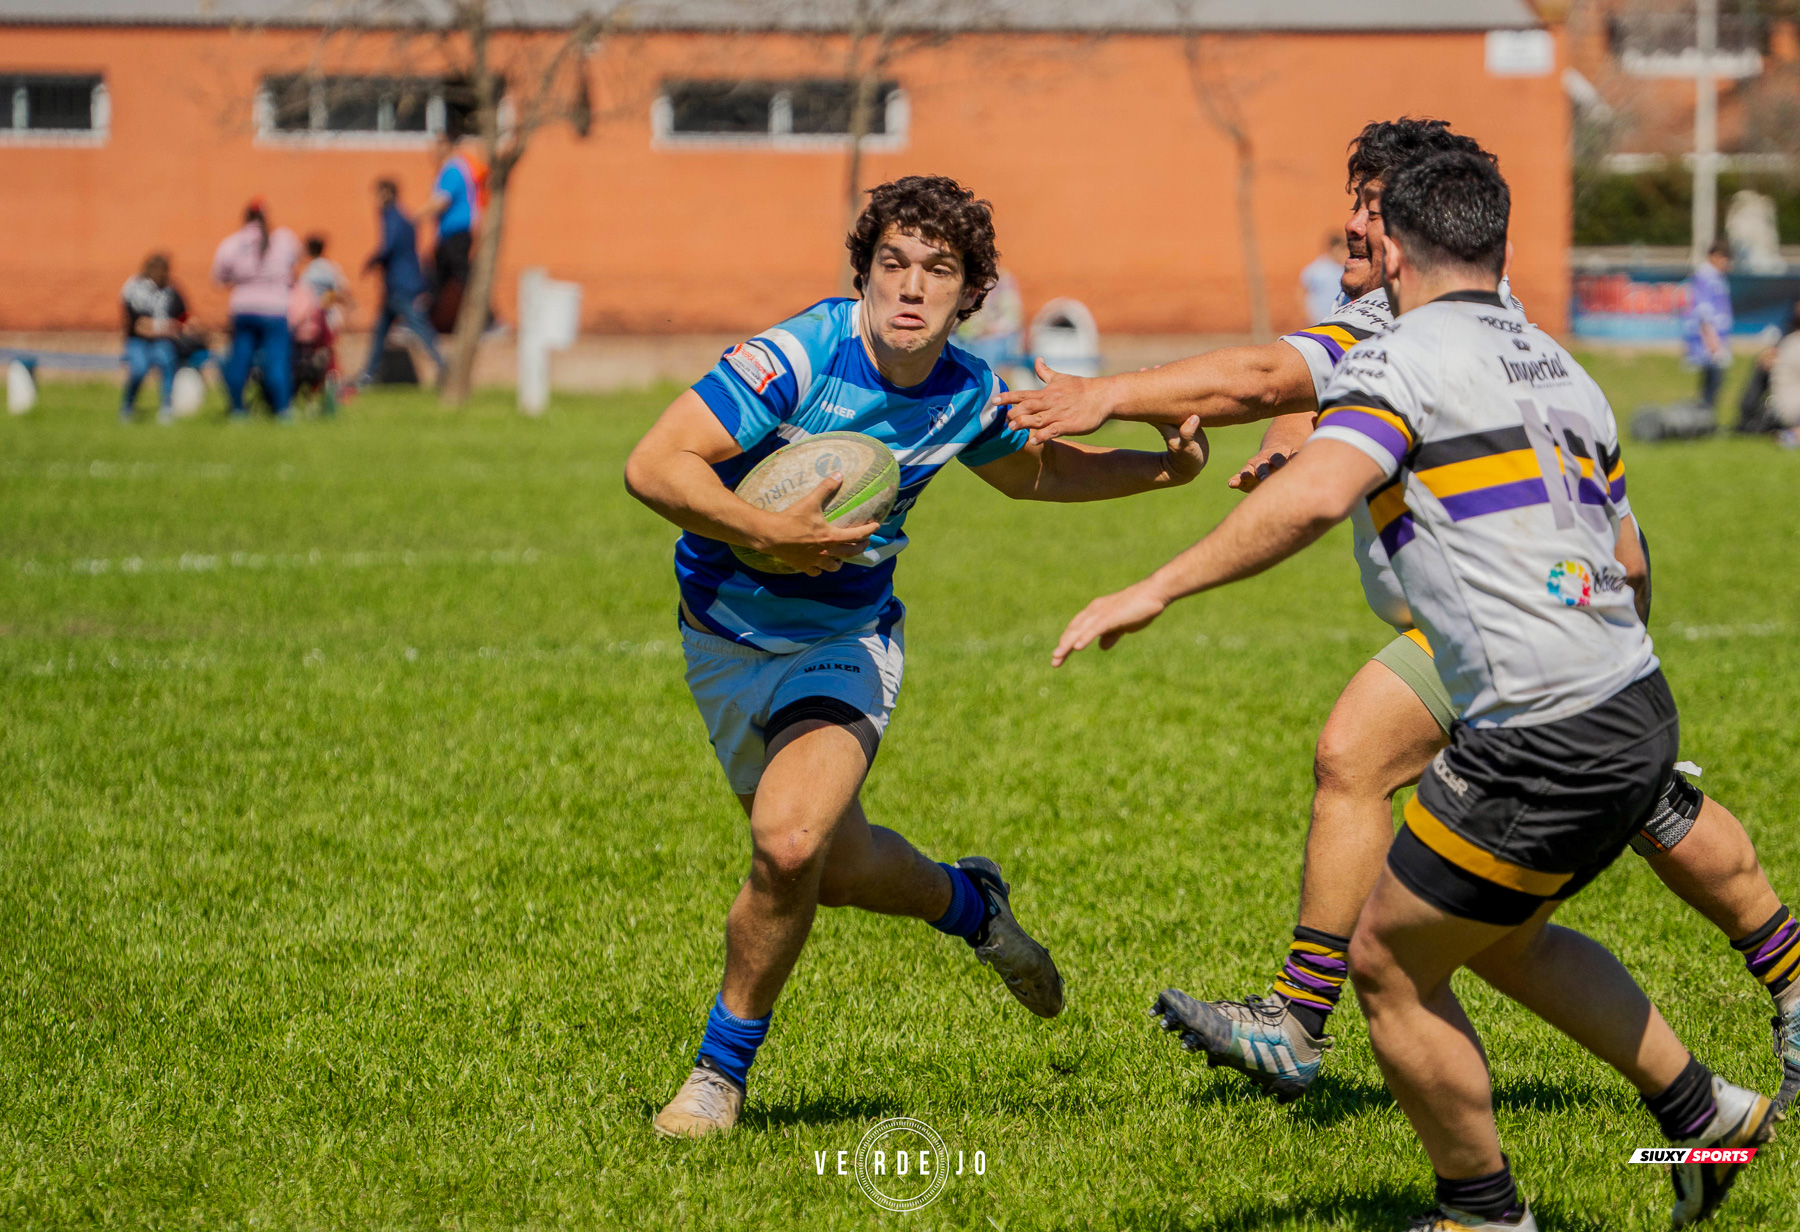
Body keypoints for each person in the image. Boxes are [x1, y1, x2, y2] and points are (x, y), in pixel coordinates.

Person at [999, 118, 1800, 1115]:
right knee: (1368, 764)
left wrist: (1107, 395)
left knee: (1514, 889)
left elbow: (1261, 377)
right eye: (1353, 201)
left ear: (1423, 227)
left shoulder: (1408, 330)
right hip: (1550, 636)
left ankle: (1513, 1176)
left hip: (1531, 640)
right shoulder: (1513, 339)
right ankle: (1685, 1104)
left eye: (1373, 207)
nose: (1353, 226)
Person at [625, 175, 1210, 1139]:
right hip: (722, 639)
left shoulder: (967, 390)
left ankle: (715, 1082)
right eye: (892, 263)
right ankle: (972, 905)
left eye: (938, 270)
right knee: (839, 867)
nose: (911, 286)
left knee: (789, 843)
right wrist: (765, 532)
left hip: (844, 643)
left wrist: (1162, 469)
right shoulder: (797, 356)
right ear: (863, 274)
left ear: (969, 292)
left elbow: (1039, 473)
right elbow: (656, 464)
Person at [212, 200, 302, 419]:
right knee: (277, 361)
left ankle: (237, 411)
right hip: (275, 310)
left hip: (244, 308)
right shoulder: (283, 239)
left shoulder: (233, 243)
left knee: (240, 361)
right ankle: (282, 410)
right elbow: (295, 262)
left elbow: (217, 277)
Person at [357, 179, 444, 387]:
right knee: (381, 331)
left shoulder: (393, 216)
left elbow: (389, 246)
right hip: (399, 284)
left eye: (378, 194)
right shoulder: (403, 217)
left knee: (419, 328)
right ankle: (368, 374)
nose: (376, 200)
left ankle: (444, 366)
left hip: (402, 285)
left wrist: (372, 260)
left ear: (387, 194)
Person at [424, 132, 487, 333]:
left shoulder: (452, 169)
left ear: (448, 147)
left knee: (461, 276)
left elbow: (441, 201)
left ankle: (488, 319)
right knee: (438, 279)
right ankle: (423, 321)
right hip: (449, 233)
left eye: (438, 146)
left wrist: (414, 217)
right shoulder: (452, 169)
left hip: (456, 232)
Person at [120, 253, 180, 423]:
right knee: (138, 369)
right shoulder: (134, 288)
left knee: (166, 359)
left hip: (161, 341)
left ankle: (167, 407)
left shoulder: (170, 289)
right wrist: (166, 328)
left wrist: (184, 324)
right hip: (137, 340)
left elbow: (184, 313)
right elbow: (139, 325)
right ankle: (127, 406)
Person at [1684, 239, 1734, 412]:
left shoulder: (1716, 277)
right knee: (1712, 381)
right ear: (1715, 256)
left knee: (1714, 381)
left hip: (1716, 338)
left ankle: (1705, 416)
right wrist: (1712, 341)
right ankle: (1705, 417)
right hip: (1710, 340)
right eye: (1725, 258)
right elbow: (1703, 310)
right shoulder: (1705, 276)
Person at [1299, 232, 1348, 323]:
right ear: (1331, 248)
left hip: (1338, 319)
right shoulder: (1316, 269)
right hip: (1319, 319)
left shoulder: (1343, 269)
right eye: (1339, 249)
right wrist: (1307, 315)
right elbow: (1302, 292)